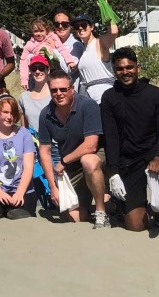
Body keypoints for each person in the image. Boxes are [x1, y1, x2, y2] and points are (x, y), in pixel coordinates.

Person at [102, 48, 159, 237]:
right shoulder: (109, 97)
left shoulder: (156, 94)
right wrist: (113, 172)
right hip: (128, 161)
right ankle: (154, 210)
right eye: (120, 69)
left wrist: (158, 156)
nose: (125, 72)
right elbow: (111, 137)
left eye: (129, 67)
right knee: (135, 225)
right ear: (114, 71)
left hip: (153, 154)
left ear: (138, 67)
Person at [37, 70, 108, 228]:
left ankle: (102, 212)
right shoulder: (46, 114)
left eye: (63, 89)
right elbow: (44, 152)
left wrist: (64, 161)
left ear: (72, 89)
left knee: (88, 160)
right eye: (54, 90)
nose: (59, 93)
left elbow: (91, 145)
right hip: (71, 168)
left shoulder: (87, 106)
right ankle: (106, 203)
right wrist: (53, 187)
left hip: (96, 158)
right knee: (73, 216)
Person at [0, 95, 38, 220]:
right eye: (5, 112)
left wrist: (20, 193)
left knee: (18, 215)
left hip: (22, 189)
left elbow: (28, 167)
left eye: (12, 113)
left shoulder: (24, 134)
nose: (9, 117)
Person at [73, 11, 118, 101]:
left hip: (104, 97)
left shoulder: (99, 43)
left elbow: (114, 32)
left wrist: (105, 8)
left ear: (92, 27)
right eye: (77, 26)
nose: (80, 28)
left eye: (84, 25)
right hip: (89, 97)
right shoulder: (83, 51)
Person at [19, 18, 75, 88]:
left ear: (47, 30)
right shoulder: (30, 44)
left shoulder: (52, 37)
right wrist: (24, 80)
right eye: (36, 31)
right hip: (38, 72)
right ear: (32, 32)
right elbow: (23, 61)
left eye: (42, 31)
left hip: (53, 70)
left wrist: (70, 61)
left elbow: (62, 49)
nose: (39, 34)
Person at [19, 53, 52, 132]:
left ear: (48, 70)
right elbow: (24, 128)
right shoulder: (24, 97)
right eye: (34, 68)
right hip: (33, 142)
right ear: (30, 71)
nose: (37, 71)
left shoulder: (55, 94)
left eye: (41, 68)